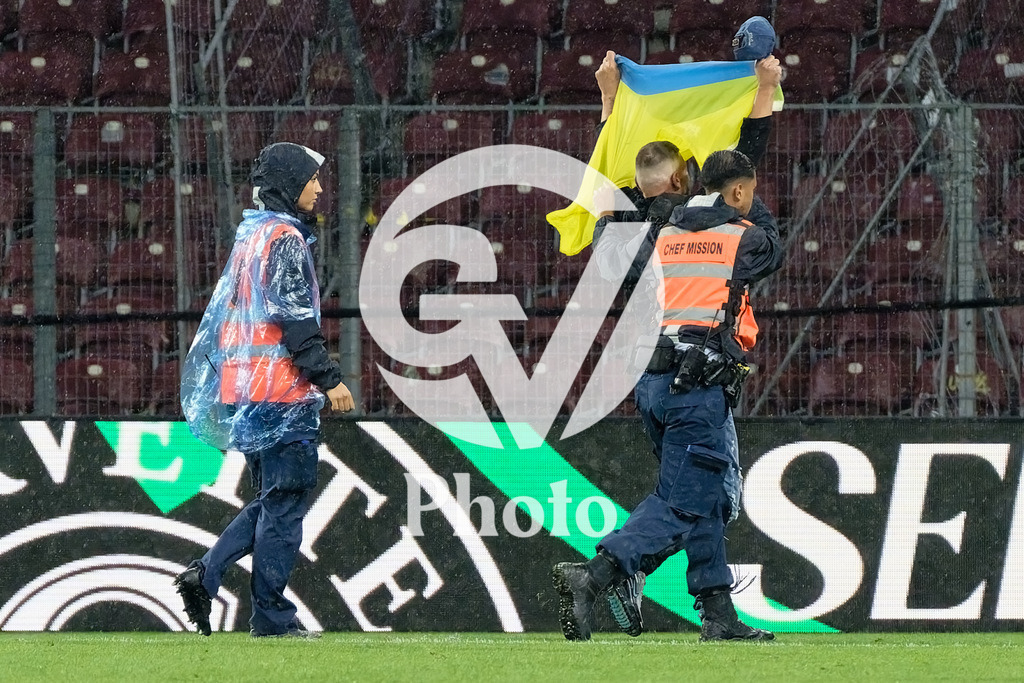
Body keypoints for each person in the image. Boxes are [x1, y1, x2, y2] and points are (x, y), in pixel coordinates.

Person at [581, 48, 782, 640]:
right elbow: (756, 215)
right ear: (686, 180)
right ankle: (603, 572)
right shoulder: (736, 234)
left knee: (704, 494)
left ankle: (717, 612)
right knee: (690, 501)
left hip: (652, 383)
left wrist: (611, 107)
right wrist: (762, 98)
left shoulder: (637, 233)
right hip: (702, 380)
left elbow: (611, 190)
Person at [175, 142, 355, 639]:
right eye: (311, 179)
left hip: (248, 392)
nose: (319, 188)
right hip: (282, 393)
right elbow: (294, 319)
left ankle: (205, 576)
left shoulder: (251, 235)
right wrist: (329, 378)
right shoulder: (285, 239)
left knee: (273, 499)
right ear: (290, 184)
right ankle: (270, 617)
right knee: (285, 506)